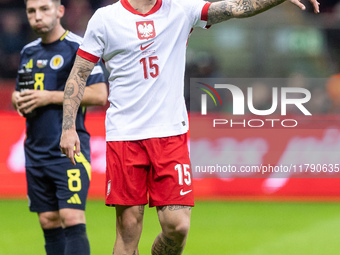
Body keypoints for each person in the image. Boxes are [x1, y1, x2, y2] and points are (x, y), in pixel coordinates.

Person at [59, 0, 320, 254]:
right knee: (128, 229)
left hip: (170, 135)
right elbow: (80, 73)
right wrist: (68, 127)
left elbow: (236, 8)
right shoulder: (106, 19)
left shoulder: (181, 9)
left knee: (178, 226)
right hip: (125, 135)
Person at [11, 0, 107, 254]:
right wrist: (17, 98)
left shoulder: (78, 47)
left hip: (67, 149)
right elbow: (24, 91)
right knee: (48, 221)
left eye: (44, 9)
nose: (37, 16)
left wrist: (49, 96)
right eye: (32, 11)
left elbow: (99, 94)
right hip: (35, 149)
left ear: (60, 11)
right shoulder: (28, 51)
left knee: (72, 218)